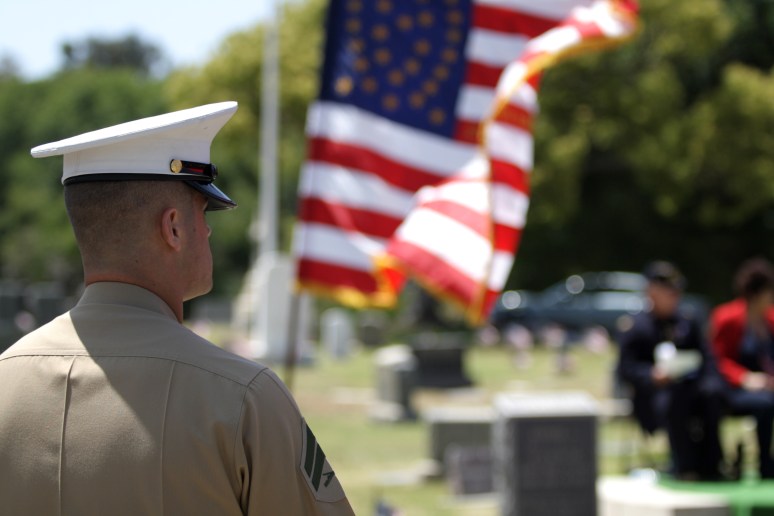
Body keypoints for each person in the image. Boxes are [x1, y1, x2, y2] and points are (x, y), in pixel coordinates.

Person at [0, 102, 355, 515]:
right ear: (172, 227)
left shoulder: (6, 376)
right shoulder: (244, 397)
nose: (206, 230)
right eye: (203, 212)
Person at [617, 261, 725, 480]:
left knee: (712, 395)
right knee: (674, 401)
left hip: (692, 387)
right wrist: (651, 375)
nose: (675, 296)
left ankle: (712, 464)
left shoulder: (686, 321)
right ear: (652, 291)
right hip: (655, 395)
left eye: (677, 292)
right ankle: (684, 466)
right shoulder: (636, 326)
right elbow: (625, 369)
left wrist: (711, 381)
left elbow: (706, 357)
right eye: (669, 291)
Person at [710, 257, 774, 479]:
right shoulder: (727, 318)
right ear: (756, 293)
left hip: (767, 386)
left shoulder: (771, 319)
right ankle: (765, 465)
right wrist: (745, 378)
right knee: (766, 404)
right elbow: (716, 360)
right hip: (733, 390)